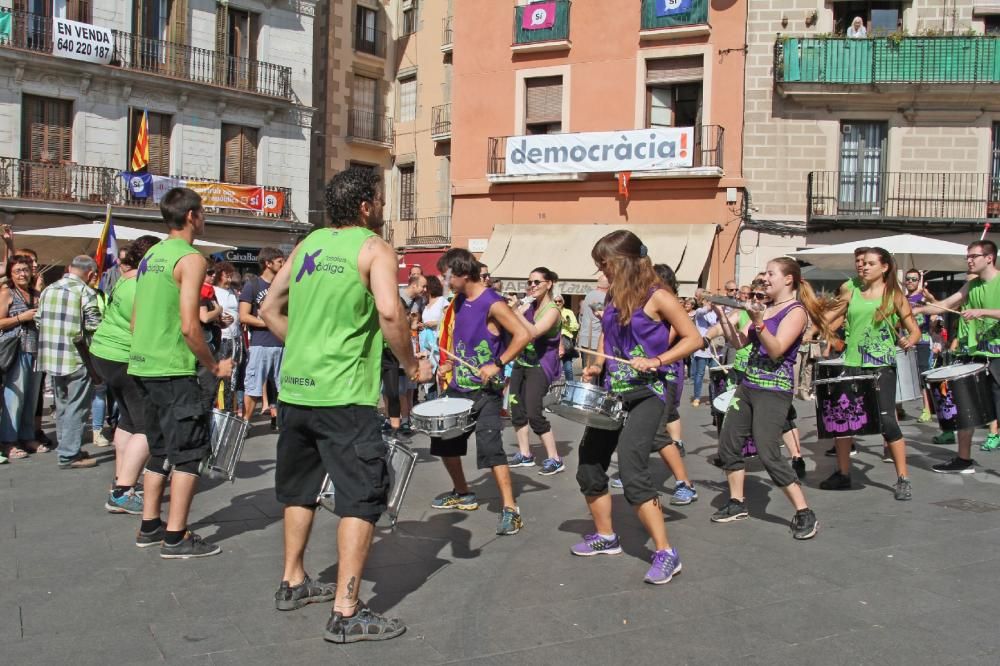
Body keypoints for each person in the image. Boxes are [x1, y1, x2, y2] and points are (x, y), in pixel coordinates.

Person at [261, 168, 430, 644]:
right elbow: (391, 311)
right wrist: (411, 365)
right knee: (361, 496)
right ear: (364, 206)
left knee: (299, 489)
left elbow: (270, 309)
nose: (381, 206)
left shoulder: (308, 244)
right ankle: (346, 610)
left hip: (296, 390)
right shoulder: (374, 249)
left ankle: (292, 581)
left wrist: (304, 349)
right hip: (343, 398)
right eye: (379, 198)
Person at [572, 231, 701, 584]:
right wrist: (597, 364)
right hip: (615, 391)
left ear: (625, 261)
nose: (601, 271)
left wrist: (658, 359)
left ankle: (665, 552)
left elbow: (694, 338)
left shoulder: (659, 296)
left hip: (649, 394)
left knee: (631, 468)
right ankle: (606, 537)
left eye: (605, 264)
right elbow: (606, 336)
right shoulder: (614, 295)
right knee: (589, 465)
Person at [128, 187, 233, 558]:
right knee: (189, 452)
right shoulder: (190, 258)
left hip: (142, 364)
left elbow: (136, 317)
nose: (203, 218)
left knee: (159, 449)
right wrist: (214, 364)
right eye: (202, 213)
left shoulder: (151, 256)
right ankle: (176, 536)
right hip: (173, 368)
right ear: (192, 216)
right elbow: (191, 326)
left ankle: (149, 525)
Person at [709, 258, 825, 539]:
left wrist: (760, 323)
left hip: (774, 390)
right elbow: (739, 344)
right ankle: (737, 502)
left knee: (768, 451)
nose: (765, 278)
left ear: (788, 280)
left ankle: (803, 511)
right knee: (728, 444)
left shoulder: (796, 312)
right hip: (748, 385)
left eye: (771, 273)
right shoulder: (768, 308)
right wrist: (723, 315)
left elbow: (776, 350)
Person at [430, 248, 531, 535]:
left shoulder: (492, 302)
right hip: (458, 386)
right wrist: (446, 361)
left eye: (449, 275)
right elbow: (460, 339)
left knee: (490, 447)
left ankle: (511, 509)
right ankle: (462, 492)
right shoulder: (458, 302)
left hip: (485, 391)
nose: (445, 280)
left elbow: (523, 335)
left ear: (463, 273)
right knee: (445, 440)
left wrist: (497, 364)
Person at [820, 248, 920, 500]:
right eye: (862, 263)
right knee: (843, 421)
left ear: (884, 267)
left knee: (886, 420)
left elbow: (914, 330)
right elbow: (829, 318)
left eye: (870, 263)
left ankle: (903, 478)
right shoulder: (851, 291)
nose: (863, 266)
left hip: (880, 364)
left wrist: (910, 340)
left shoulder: (894, 296)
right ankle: (843, 473)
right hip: (852, 361)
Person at [612, 263, 699, 505]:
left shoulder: (666, 307)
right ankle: (632, 470)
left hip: (665, 376)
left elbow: (662, 342)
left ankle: (685, 484)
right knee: (629, 426)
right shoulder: (641, 305)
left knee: (658, 434)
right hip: (637, 377)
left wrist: (649, 354)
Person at [90, 235, 160, 515]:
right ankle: (122, 492)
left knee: (129, 421)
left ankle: (120, 481)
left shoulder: (125, 279)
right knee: (148, 425)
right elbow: (141, 326)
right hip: (123, 356)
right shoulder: (140, 286)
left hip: (105, 354)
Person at [920, 240, 1000, 468]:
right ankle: (963, 459)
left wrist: (982, 311)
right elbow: (943, 305)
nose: (969, 260)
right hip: (975, 356)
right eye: (968, 256)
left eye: (974, 256)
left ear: (989, 258)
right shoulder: (971, 286)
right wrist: (911, 309)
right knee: (968, 408)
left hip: (998, 357)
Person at [36, 255, 102, 469]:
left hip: (52, 356)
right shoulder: (84, 292)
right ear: (90, 273)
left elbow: (38, 320)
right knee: (77, 406)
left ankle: (67, 446)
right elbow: (94, 325)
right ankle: (68, 454)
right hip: (77, 357)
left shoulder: (48, 289)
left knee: (63, 404)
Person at [508, 267, 564, 475]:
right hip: (522, 363)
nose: (532, 286)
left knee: (533, 412)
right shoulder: (529, 306)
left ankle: (555, 458)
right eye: (529, 282)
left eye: (537, 282)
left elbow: (533, 332)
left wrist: (515, 311)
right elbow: (512, 326)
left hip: (541, 366)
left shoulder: (552, 310)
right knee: (516, 409)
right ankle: (525, 454)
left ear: (548, 284)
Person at [0, 255, 45, 461]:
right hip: (16, 350)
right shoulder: (6, 293)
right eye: (18, 270)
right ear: (10, 273)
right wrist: (20, 318)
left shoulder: (36, 293)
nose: (22, 274)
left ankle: (27, 436)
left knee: (31, 398)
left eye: (25, 270)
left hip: (36, 350)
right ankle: (8, 441)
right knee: (14, 398)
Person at [239, 247, 285, 424]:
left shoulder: (283, 287)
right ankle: (245, 423)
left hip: (281, 343)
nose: (283, 264)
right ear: (268, 263)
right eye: (279, 261)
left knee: (284, 387)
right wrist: (269, 322)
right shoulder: (253, 285)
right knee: (253, 387)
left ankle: (282, 422)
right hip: (261, 343)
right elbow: (244, 316)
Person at [902, 269, 935, 423]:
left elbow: (937, 308)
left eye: (914, 279)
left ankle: (927, 408)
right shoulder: (902, 298)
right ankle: (898, 407)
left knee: (923, 376)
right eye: (907, 279)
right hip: (906, 340)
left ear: (919, 280)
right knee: (903, 375)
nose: (910, 281)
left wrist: (931, 299)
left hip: (922, 341)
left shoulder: (923, 297)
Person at [213, 262, 241, 413]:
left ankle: (231, 410)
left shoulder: (232, 291)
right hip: (222, 338)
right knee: (221, 378)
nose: (229, 278)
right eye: (226, 274)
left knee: (233, 378)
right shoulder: (214, 291)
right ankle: (220, 410)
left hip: (235, 338)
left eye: (231, 274)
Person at [689, 289, 718, 406]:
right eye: (708, 300)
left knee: (714, 375)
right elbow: (702, 312)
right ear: (704, 301)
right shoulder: (699, 311)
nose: (711, 302)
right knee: (700, 374)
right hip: (702, 348)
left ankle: (714, 397)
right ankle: (697, 397)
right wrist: (710, 306)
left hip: (714, 347)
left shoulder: (714, 313)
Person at [578, 272, 609, 368]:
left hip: (586, 340)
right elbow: (607, 317)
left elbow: (581, 315)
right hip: (596, 342)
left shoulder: (589, 295)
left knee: (587, 374)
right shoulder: (603, 297)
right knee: (593, 377)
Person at [555, 294, 579, 382]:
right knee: (552, 367)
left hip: (565, 342)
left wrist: (566, 324)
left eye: (559, 301)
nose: (558, 303)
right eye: (555, 301)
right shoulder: (550, 312)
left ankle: (570, 387)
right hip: (553, 341)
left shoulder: (568, 312)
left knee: (568, 368)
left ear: (563, 302)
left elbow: (576, 326)